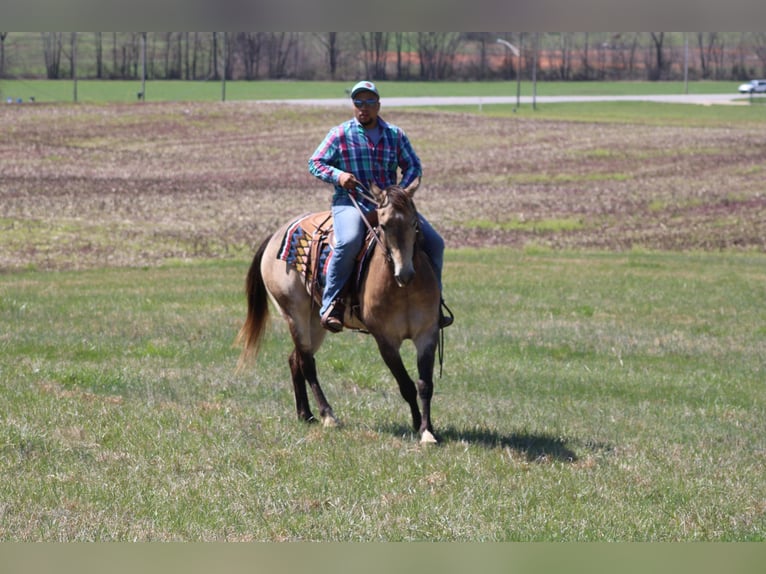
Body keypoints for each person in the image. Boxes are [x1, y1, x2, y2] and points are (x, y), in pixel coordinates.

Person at [308, 80, 453, 333]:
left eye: (369, 102)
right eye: (358, 102)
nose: (363, 107)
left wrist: (401, 193)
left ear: (378, 105)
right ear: (354, 105)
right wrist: (339, 176)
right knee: (349, 241)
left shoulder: (395, 135)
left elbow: (413, 167)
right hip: (351, 202)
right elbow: (316, 163)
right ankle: (332, 304)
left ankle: (435, 303)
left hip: (390, 205)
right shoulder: (340, 134)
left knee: (434, 243)